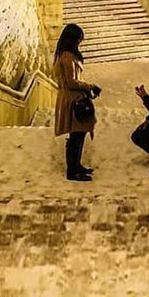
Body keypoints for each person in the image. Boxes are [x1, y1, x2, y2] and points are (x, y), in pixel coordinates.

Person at [53, 24, 102, 182]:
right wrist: (90, 86)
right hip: (72, 100)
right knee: (76, 135)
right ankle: (72, 170)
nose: (80, 41)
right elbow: (72, 82)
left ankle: (76, 165)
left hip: (72, 97)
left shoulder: (64, 55)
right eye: (79, 38)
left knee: (78, 134)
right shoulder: (68, 58)